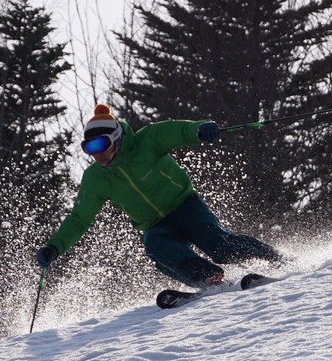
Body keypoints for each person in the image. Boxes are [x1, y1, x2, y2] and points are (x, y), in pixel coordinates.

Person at [36, 104, 281, 289]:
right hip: (155, 225)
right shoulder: (96, 179)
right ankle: (210, 279)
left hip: (185, 206)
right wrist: (55, 246)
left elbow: (182, 130)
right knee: (155, 246)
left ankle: (277, 260)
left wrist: (200, 130)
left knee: (219, 245)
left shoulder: (147, 140)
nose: (96, 154)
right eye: (89, 148)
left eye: (100, 145)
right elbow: (80, 219)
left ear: (116, 138)